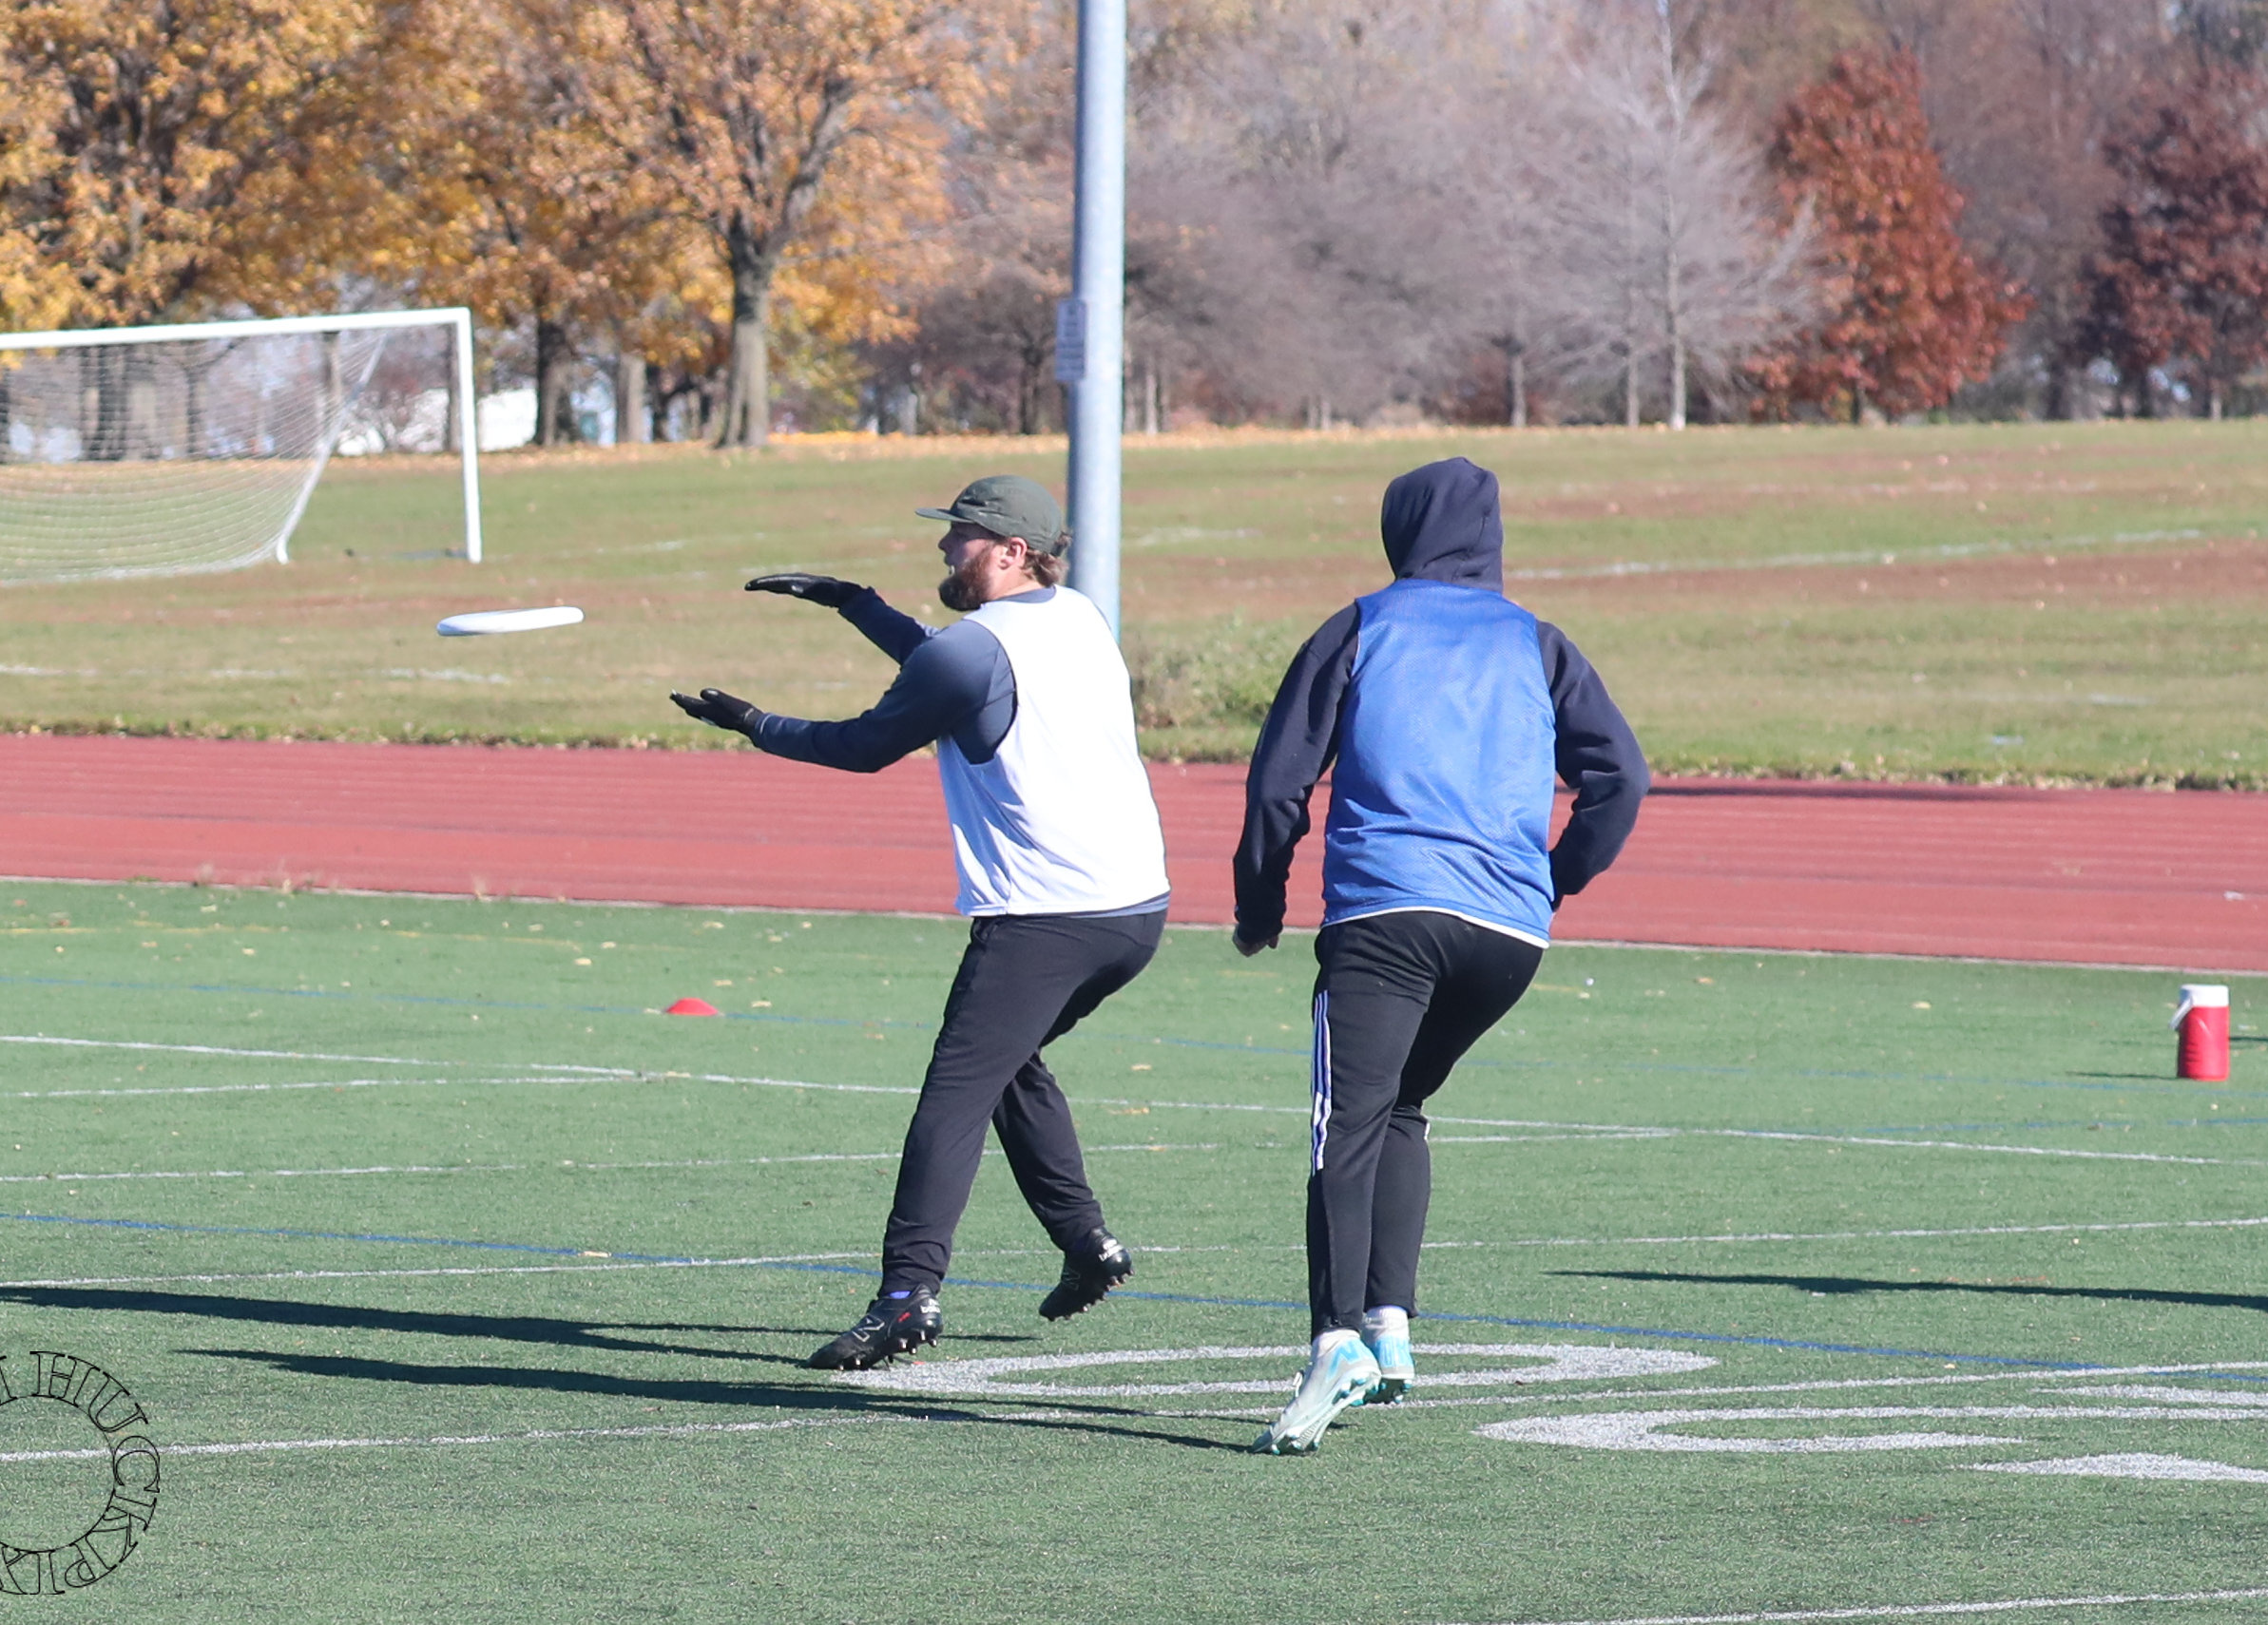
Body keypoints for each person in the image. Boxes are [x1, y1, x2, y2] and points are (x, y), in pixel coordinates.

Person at [671, 474, 1170, 1370]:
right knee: (1009, 1065)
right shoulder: (1078, 615)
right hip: (1134, 911)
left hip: (1045, 917)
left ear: (1012, 551)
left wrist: (753, 722)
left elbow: (864, 745)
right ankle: (1086, 1241)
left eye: (961, 535)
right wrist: (855, 604)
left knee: (954, 1101)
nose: (945, 546)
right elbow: (944, 660)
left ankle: (907, 1296)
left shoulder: (975, 649)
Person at [1232, 456, 1648, 1453]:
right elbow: (1622, 777)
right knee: (1403, 1106)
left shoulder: (1360, 626)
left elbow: (1278, 783)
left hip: (1388, 917)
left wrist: (1260, 902)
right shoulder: (1538, 641)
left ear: (1400, 531)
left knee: (1344, 1123)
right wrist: (1554, 877)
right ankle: (1390, 1324)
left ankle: (1335, 1339)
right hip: (1508, 938)